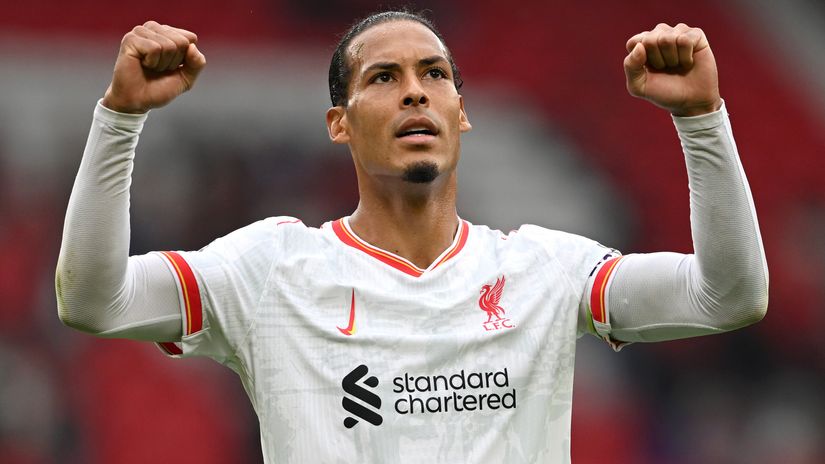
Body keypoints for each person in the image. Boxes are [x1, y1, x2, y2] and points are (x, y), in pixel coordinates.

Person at [56, 10, 768, 463]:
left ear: (461, 113)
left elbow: (726, 296)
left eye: (434, 75)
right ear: (340, 123)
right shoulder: (270, 268)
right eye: (383, 77)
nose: (415, 91)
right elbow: (93, 301)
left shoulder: (544, 268)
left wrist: (701, 120)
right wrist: (119, 119)